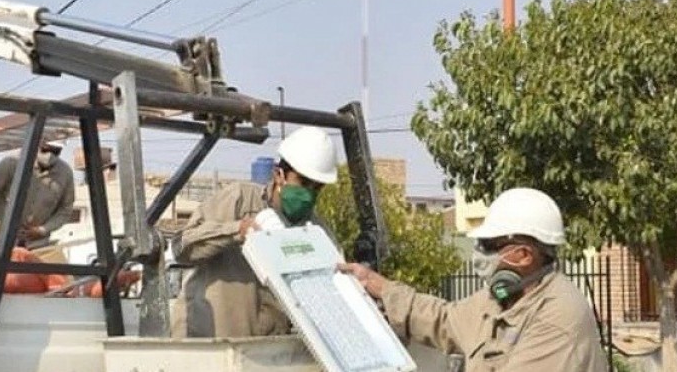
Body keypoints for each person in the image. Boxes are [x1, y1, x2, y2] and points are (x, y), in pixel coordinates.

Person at [340, 187, 608, 372]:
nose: (479, 253)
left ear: (524, 255)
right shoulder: (500, 299)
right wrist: (380, 286)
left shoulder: (558, 315)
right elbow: (444, 319)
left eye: (489, 245)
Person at [171, 126, 339, 338]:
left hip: (263, 353)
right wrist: (236, 230)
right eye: (303, 183)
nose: (309, 194)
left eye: (318, 187)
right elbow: (182, 247)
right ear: (279, 175)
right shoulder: (239, 200)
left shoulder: (315, 231)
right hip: (207, 346)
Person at [0, 141, 75, 250]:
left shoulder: (65, 173)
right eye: (45, 149)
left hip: (38, 245)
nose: (49, 155)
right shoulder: (11, 163)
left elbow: (65, 209)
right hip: (3, 244)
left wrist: (43, 230)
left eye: (55, 152)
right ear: (37, 144)